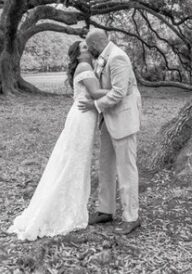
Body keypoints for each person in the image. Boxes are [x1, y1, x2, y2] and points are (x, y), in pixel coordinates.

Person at [8, 40, 107, 241]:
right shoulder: (85, 66)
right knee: (74, 162)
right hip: (82, 118)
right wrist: (121, 90)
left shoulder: (87, 66)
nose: (89, 49)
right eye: (85, 48)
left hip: (83, 117)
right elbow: (96, 93)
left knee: (74, 160)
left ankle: (72, 205)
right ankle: (63, 209)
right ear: (78, 55)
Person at [78, 28, 142, 236]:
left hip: (123, 118)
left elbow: (119, 93)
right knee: (105, 166)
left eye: (89, 47)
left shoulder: (118, 58)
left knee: (126, 170)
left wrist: (94, 105)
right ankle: (105, 210)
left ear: (96, 44)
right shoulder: (103, 58)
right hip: (108, 120)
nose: (89, 50)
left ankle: (131, 217)